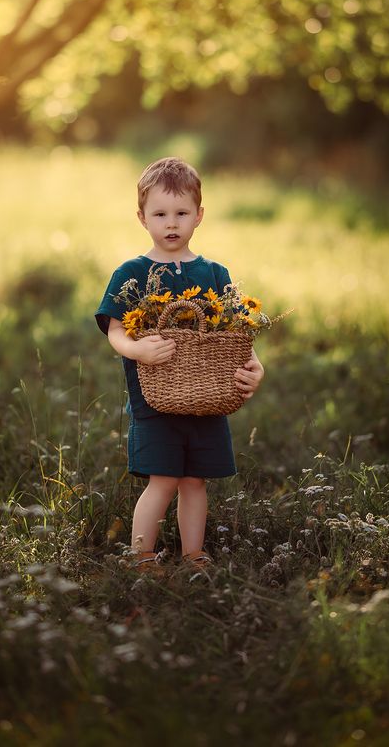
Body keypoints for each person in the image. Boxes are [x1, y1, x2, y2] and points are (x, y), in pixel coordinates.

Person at [95, 156, 264, 575]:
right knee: (164, 479)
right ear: (142, 218)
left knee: (195, 481)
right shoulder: (133, 272)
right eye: (160, 214)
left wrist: (254, 366)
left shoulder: (215, 273)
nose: (171, 223)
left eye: (182, 213)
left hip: (209, 395)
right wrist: (137, 351)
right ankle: (141, 555)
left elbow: (237, 334)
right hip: (154, 399)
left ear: (199, 215)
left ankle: (194, 555)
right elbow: (116, 330)